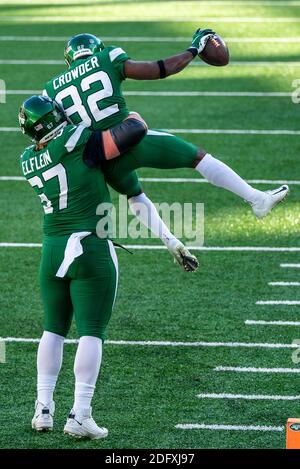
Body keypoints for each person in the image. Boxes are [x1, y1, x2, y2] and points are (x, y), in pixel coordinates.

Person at [43, 31, 289, 238]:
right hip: (133, 141)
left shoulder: (51, 89)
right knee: (198, 158)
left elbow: (54, 133)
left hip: (101, 162)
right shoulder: (107, 58)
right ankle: (256, 199)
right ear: (96, 49)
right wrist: (194, 49)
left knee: (134, 193)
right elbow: (162, 69)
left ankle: (170, 241)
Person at [18, 94, 152, 439]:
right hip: (90, 246)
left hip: (51, 248)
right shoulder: (75, 137)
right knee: (91, 331)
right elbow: (135, 128)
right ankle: (80, 413)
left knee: (53, 329)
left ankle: (43, 409)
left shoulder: (26, 160)